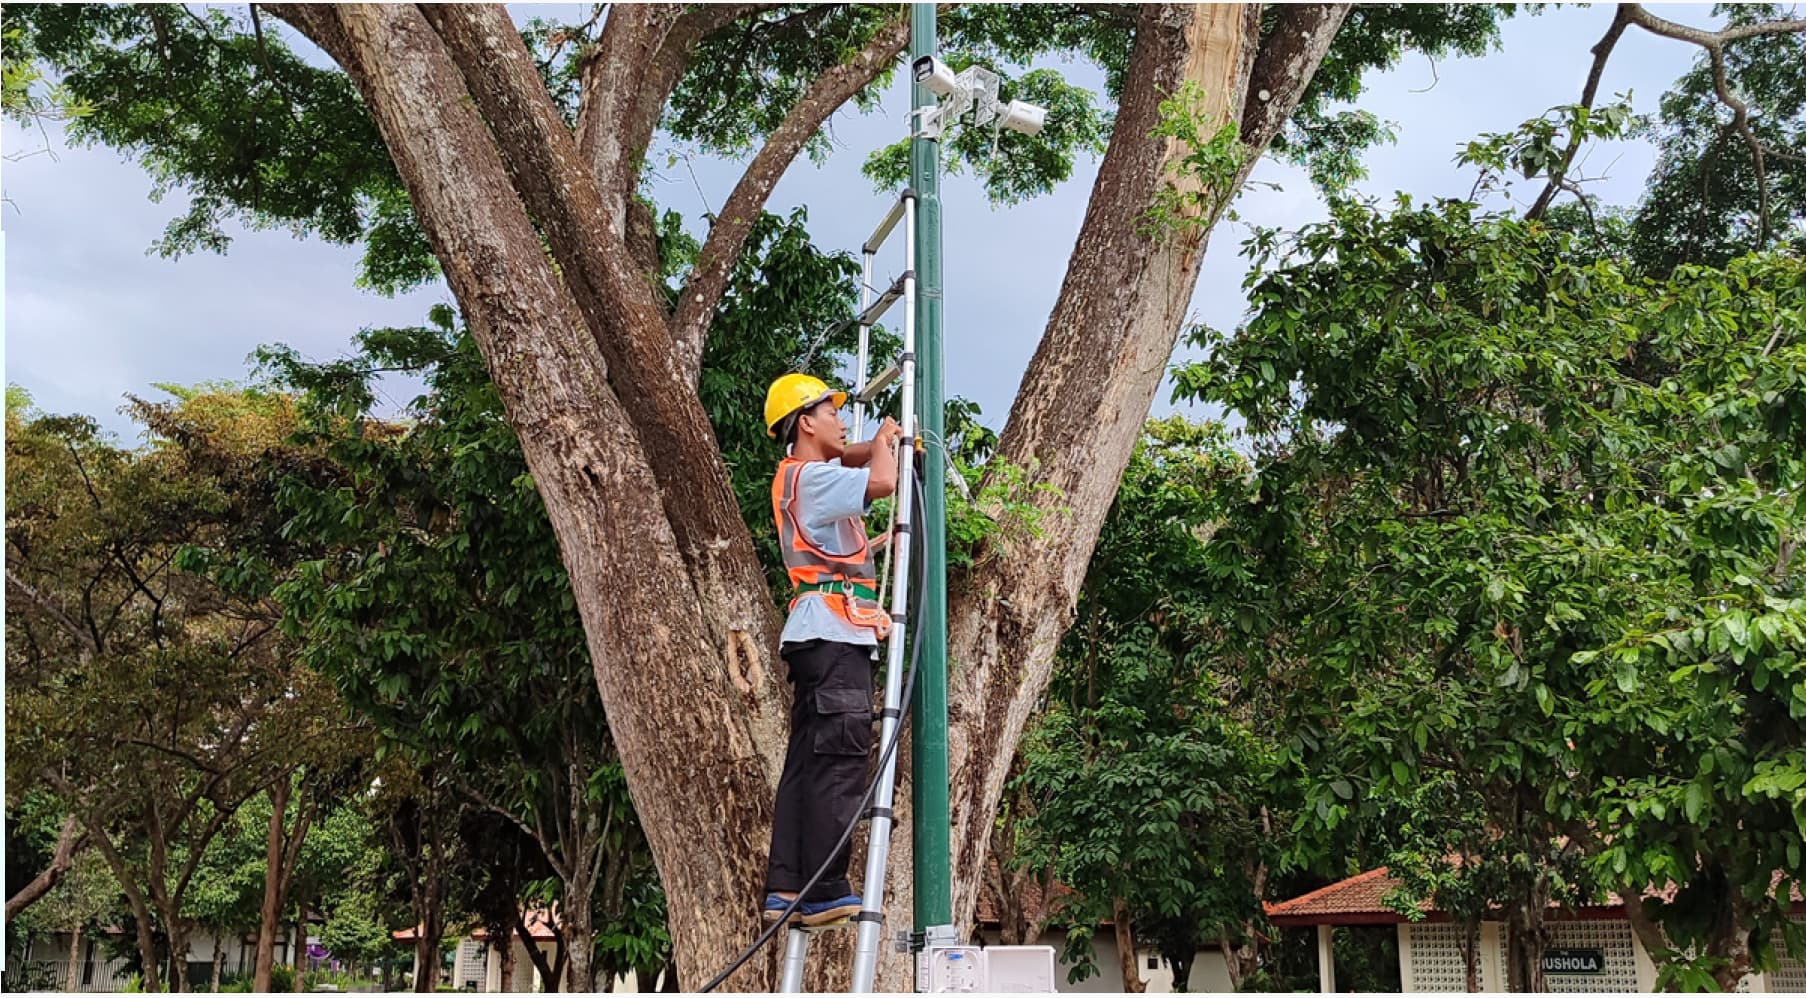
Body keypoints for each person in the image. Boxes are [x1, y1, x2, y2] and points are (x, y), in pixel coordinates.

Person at [760, 372, 903, 927]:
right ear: (805, 422)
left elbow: (857, 457)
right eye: (832, 411)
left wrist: (880, 441)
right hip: (834, 634)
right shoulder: (813, 478)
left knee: (806, 763)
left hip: (819, 632)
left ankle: (788, 885)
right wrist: (889, 445)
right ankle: (823, 889)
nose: (842, 421)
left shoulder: (803, 475)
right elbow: (883, 482)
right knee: (838, 761)